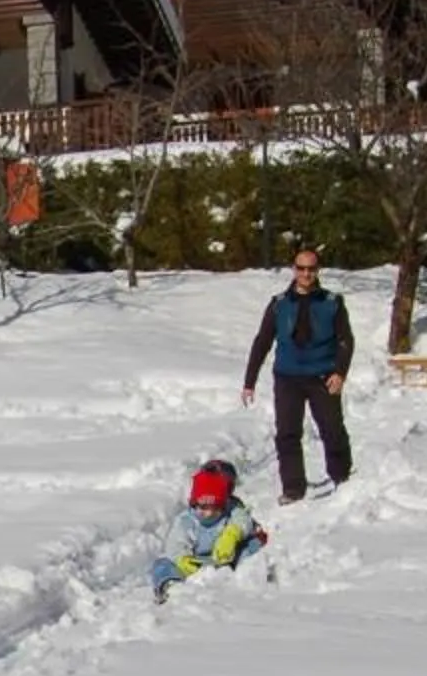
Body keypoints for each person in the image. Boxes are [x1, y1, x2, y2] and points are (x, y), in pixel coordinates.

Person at [242, 250, 354, 503]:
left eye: (311, 269)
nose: (306, 274)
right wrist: (249, 382)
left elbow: (346, 340)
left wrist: (339, 373)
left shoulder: (332, 302)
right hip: (287, 378)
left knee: (332, 429)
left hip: (323, 376)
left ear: (318, 270)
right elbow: (262, 342)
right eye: (301, 268)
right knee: (288, 433)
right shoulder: (279, 304)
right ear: (294, 269)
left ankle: (341, 475)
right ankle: (293, 487)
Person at [150, 459, 268, 600]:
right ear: (195, 504)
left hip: (226, 559)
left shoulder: (231, 511)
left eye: (215, 508)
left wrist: (231, 534)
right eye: (203, 508)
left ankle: (249, 573)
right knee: (162, 563)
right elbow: (176, 543)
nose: (209, 513)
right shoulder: (187, 521)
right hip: (195, 563)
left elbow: (244, 520)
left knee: (251, 545)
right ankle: (170, 584)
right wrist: (182, 559)